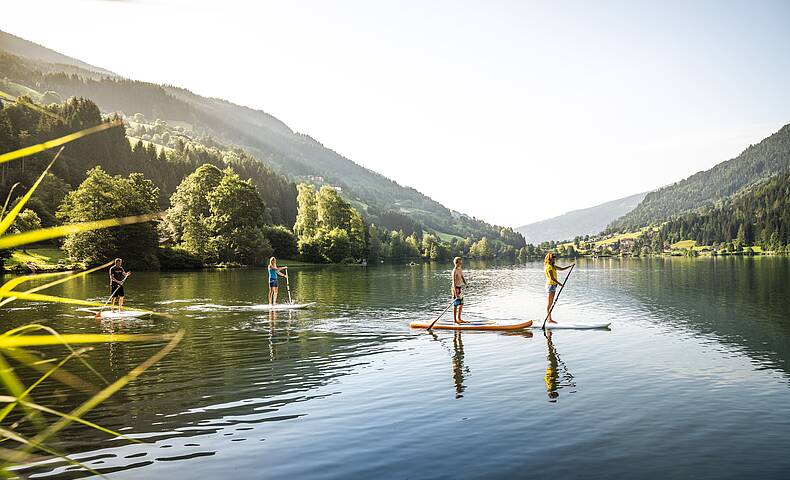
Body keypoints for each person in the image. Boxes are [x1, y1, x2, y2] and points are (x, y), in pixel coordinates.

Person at [544, 252, 573, 324]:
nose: (554, 259)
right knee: (549, 303)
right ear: (549, 258)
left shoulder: (552, 266)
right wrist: (560, 284)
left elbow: (562, 269)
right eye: (552, 258)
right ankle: (549, 319)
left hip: (553, 286)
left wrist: (570, 266)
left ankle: (549, 319)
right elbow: (552, 278)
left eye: (554, 258)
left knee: (551, 303)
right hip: (550, 286)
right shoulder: (549, 267)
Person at [451, 257, 468, 324]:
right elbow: (454, 283)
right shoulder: (454, 271)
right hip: (455, 288)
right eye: (460, 262)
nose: (461, 263)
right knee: (456, 305)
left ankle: (459, 319)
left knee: (461, 304)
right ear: (456, 263)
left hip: (460, 288)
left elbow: (462, 277)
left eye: (461, 262)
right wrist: (456, 294)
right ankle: (455, 320)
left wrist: (466, 284)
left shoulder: (460, 269)